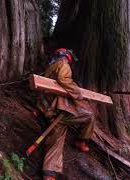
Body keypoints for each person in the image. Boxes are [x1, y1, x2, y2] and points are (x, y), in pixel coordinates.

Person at [36, 48, 94, 180]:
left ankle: (49, 174)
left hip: (44, 108)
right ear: (66, 56)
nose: (70, 61)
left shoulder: (50, 67)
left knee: (59, 131)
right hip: (55, 110)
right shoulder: (63, 64)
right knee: (89, 115)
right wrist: (79, 94)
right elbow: (64, 79)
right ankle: (81, 141)